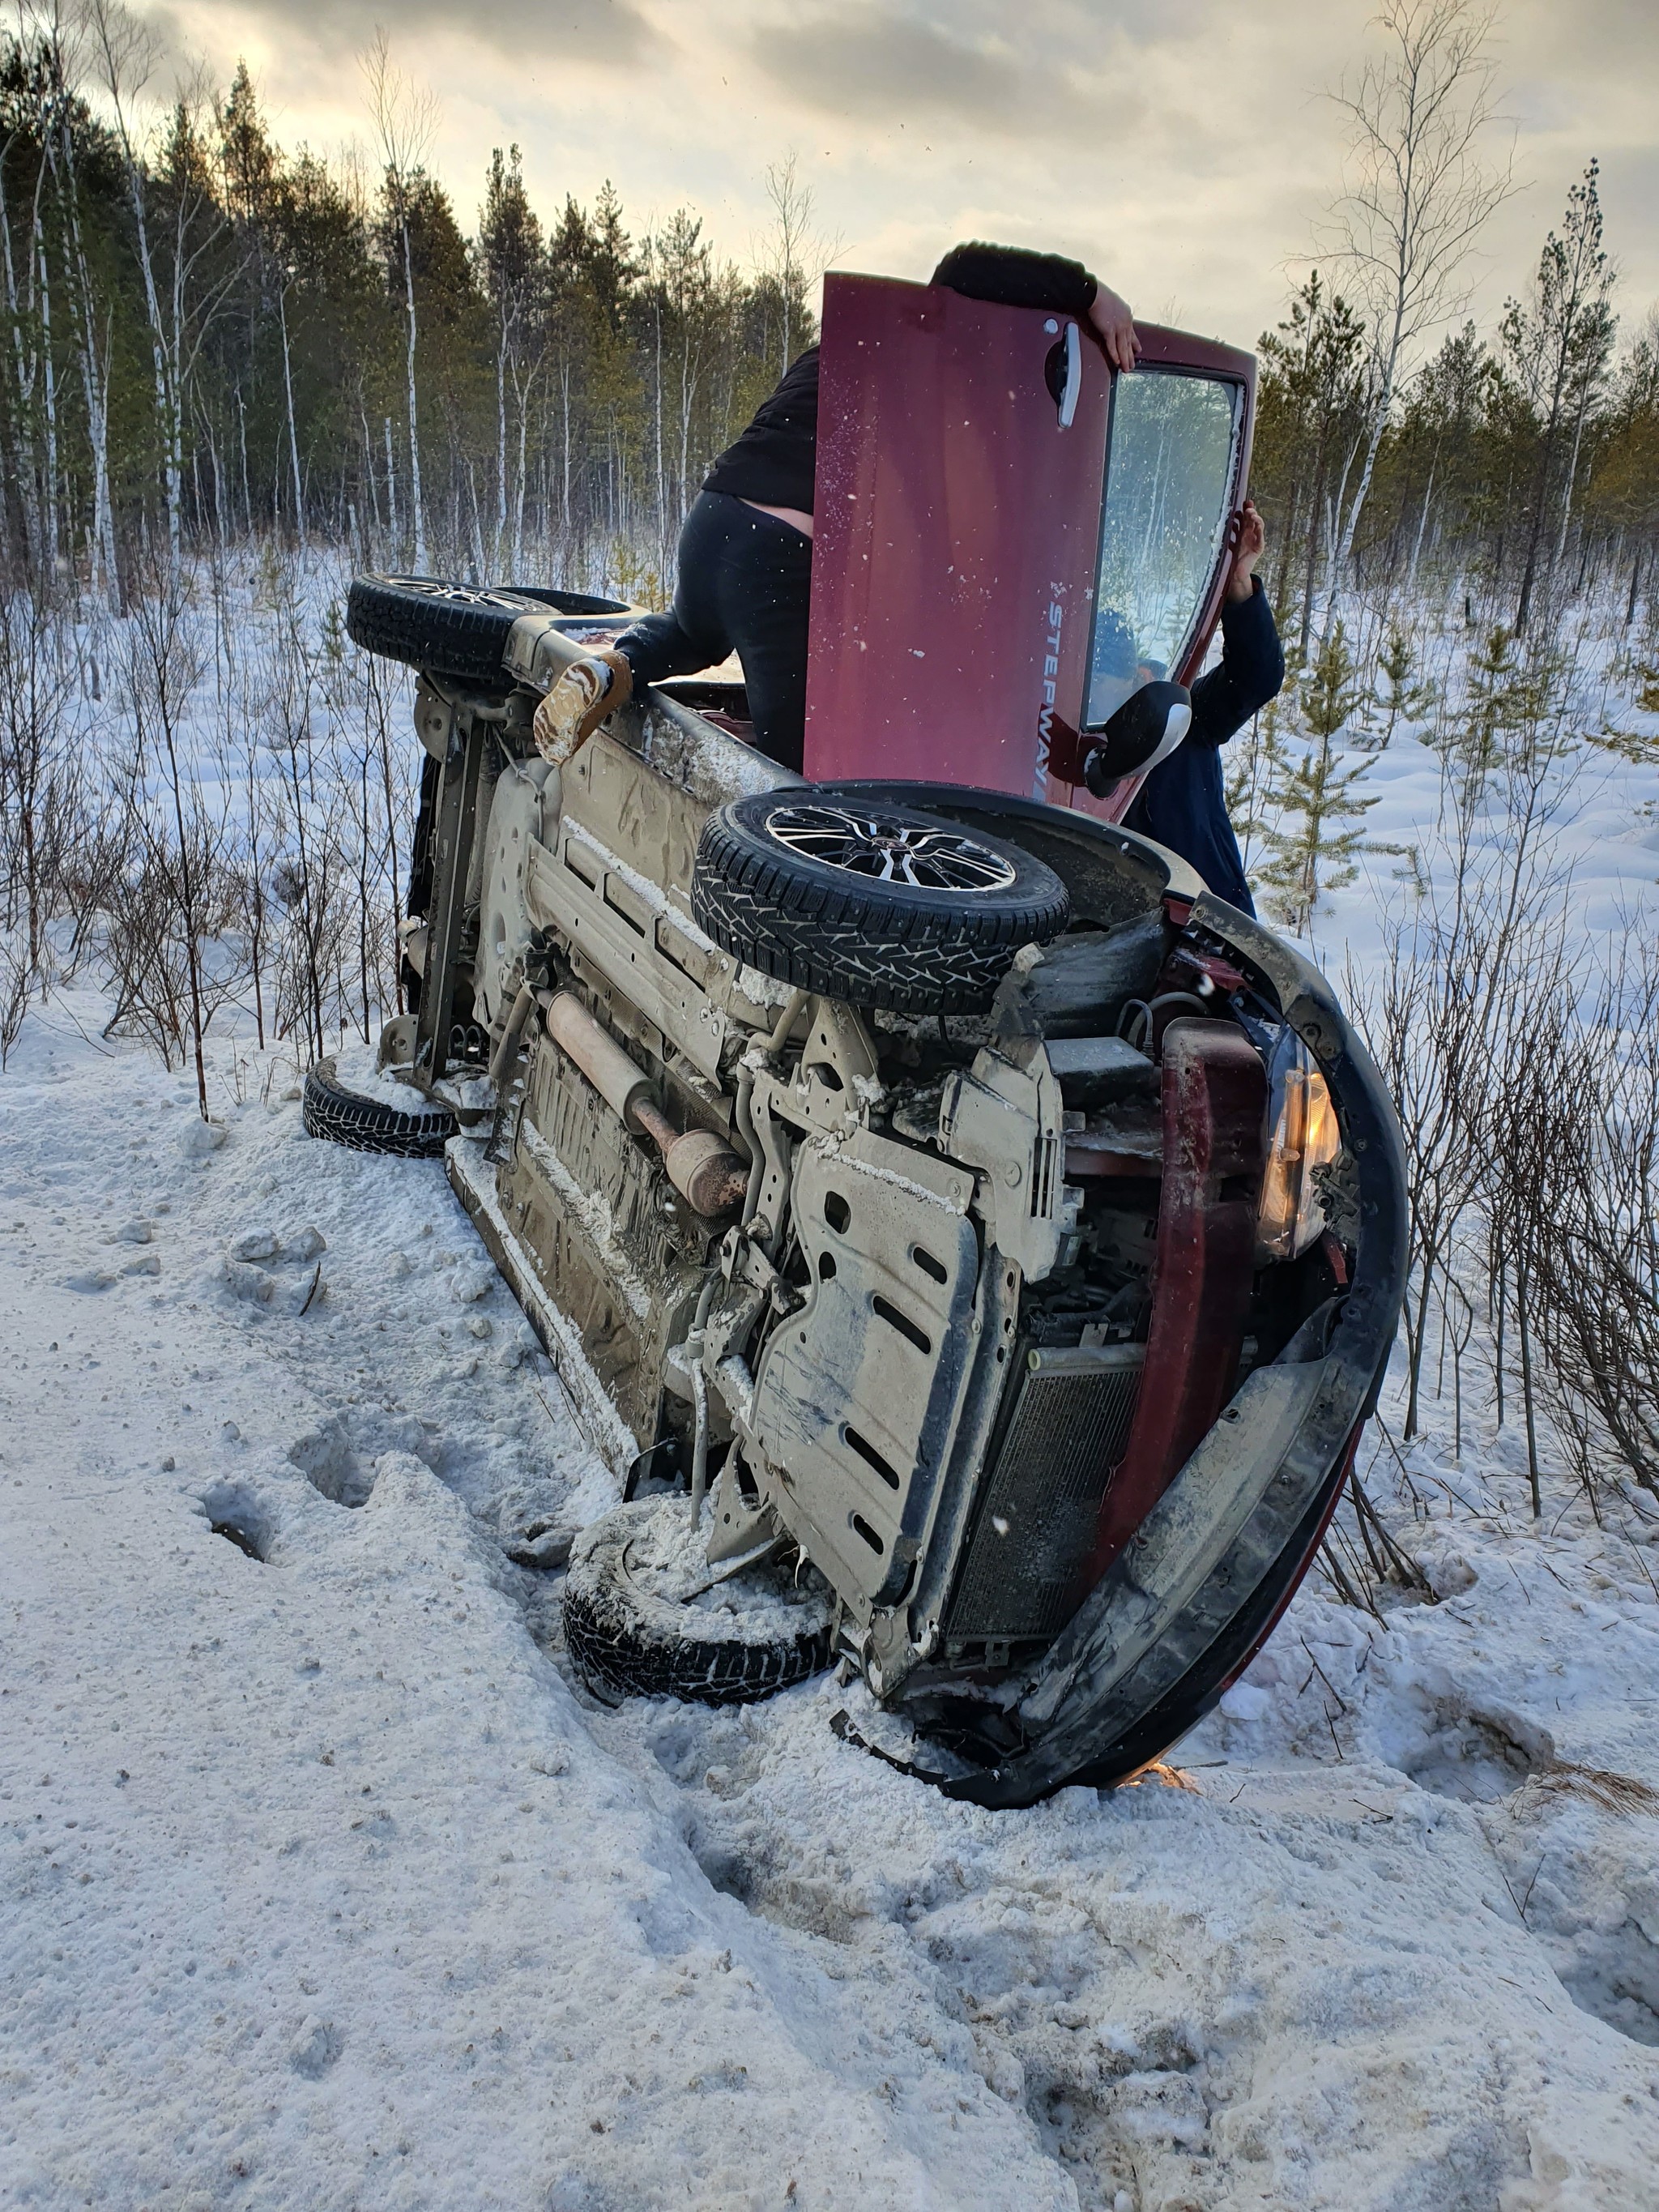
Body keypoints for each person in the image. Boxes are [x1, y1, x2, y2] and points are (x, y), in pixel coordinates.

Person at [534, 245, 1140, 771]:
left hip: (712, 524)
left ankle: (613, 671)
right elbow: (963, 266)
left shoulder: (846, 353)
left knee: (693, 633)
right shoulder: (926, 359)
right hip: (778, 557)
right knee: (795, 778)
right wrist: (1089, 292)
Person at [1120, 500, 1282, 916]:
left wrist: (1240, 584)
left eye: (1124, 672)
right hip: (1117, 940)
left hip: (1213, 932)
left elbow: (1256, 676)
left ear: (1138, 670)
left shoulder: (1183, 714)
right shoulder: (1066, 747)